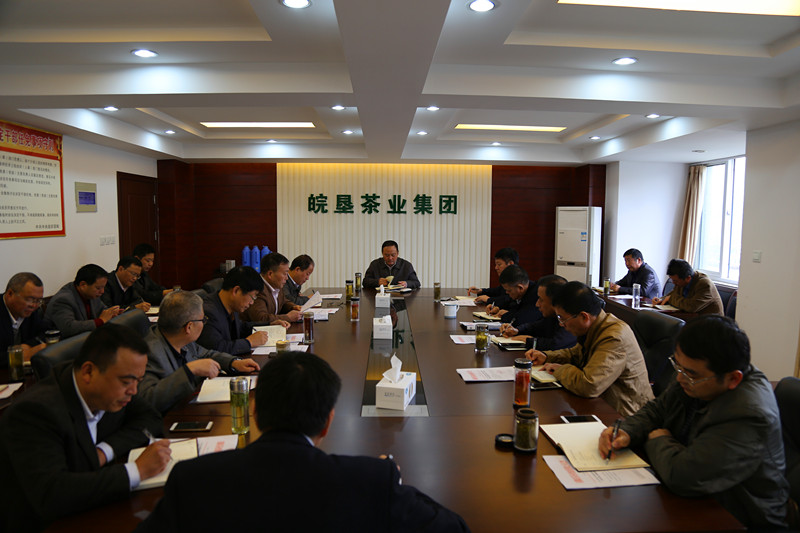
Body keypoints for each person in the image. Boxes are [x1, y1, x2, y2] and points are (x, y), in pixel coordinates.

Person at [135, 352, 470, 532]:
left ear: (254, 412)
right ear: (328, 421)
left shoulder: (192, 479)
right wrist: (391, 480)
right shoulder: (369, 479)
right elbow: (454, 527)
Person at [598, 316, 789, 531]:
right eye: (677, 365)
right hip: (696, 500)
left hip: (740, 517)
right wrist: (626, 431)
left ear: (733, 379)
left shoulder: (749, 414)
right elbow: (658, 409)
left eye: (689, 373)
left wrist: (659, 440)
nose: (679, 378)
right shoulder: (694, 373)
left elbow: (683, 476)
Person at [0, 323, 172, 532]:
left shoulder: (111, 389)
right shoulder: (34, 412)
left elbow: (150, 418)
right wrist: (137, 470)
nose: (134, 391)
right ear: (88, 372)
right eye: (127, 381)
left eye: (139, 380)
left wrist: (104, 451)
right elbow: (52, 494)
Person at [527, 281, 653, 416]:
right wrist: (547, 356)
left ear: (584, 317)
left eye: (562, 318)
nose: (561, 324)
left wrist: (560, 370)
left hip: (626, 415)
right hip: (603, 404)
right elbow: (575, 354)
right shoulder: (597, 326)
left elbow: (590, 385)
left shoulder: (614, 337)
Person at [139, 291, 260, 414]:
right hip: (171, 418)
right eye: (203, 320)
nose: (204, 323)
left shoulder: (179, 336)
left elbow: (205, 354)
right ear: (189, 327)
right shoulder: (149, 352)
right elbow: (148, 399)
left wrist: (233, 362)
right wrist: (189, 371)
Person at [196, 266, 269, 355]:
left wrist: (270, 324)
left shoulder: (231, 304)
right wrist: (249, 342)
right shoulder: (208, 312)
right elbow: (216, 349)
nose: (252, 303)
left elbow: (240, 327)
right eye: (252, 297)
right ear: (236, 291)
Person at [501, 274, 577, 352]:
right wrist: (517, 330)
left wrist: (531, 341)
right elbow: (536, 326)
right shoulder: (552, 316)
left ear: (555, 301)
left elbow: (557, 345)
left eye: (541, 299)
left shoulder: (571, 318)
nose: (537, 304)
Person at [45, 264, 121, 339]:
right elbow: (68, 328)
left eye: (103, 287)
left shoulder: (91, 294)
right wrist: (100, 321)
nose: (102, 291)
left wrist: (113, 313)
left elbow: (103, 310)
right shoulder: (63, 300)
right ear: (83, 285)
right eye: (98, 288)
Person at [242, 252, 302, 326]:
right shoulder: (258, 289)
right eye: (284, 274)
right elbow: (261, 318)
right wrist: (288, 317)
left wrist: (293, 307)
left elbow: (283, 302)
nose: (287, 278)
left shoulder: (277, 285)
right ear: (270, 274)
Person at [1, 272, 48, 365]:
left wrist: (28, 346)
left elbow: (45, 333)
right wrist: (18, 354)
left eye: (38, 300)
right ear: (10, 294)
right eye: (30, 299)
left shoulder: (31, 310)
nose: (34, 305)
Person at [653, 259, 724, 315]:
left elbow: (692, 307)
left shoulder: (704, 284)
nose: (673, 283)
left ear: (688, 278)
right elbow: (672, 295)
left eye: (675, 281)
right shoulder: (681, 282)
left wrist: (670, 299)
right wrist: (660, 300)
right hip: (691, 318)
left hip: (710, 324)